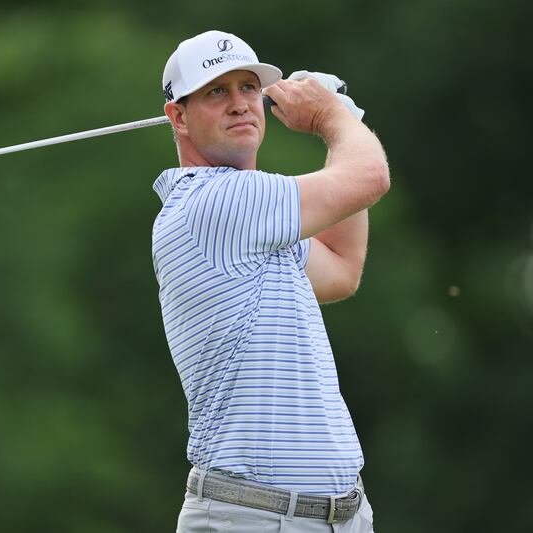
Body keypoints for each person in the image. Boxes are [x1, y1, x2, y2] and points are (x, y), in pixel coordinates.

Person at [152, 30, 390, 532]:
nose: (240, 104)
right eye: (217, 91)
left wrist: (342, 118)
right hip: (256, 518)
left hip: (337, 517)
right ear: (179, 117)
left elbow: (342, 266)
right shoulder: (214, 204)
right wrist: (331, 118)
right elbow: (370, 176)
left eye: (248, 88)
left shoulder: (254, 223)